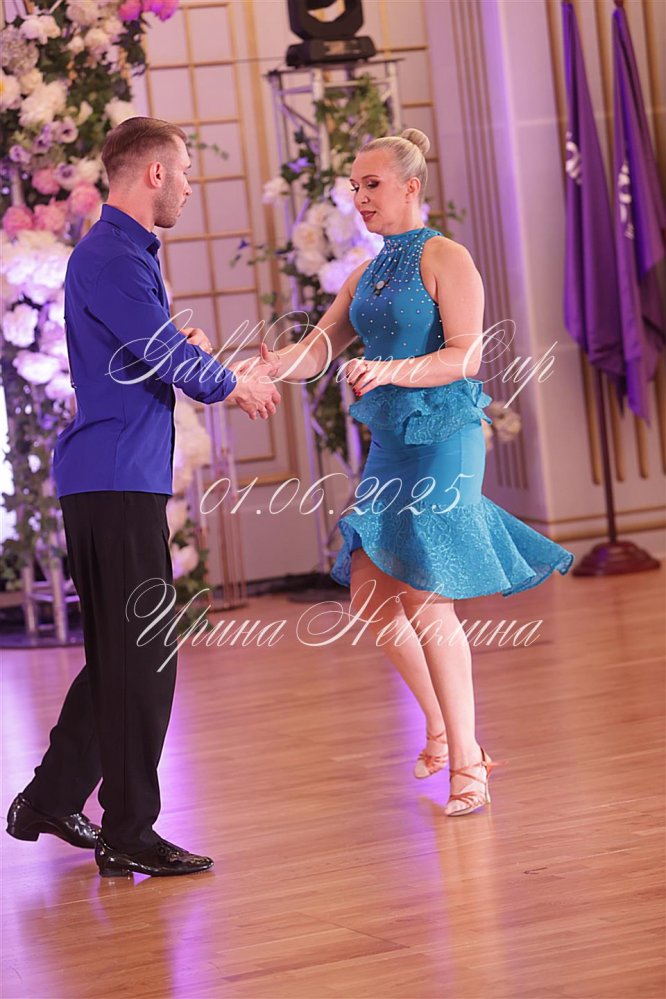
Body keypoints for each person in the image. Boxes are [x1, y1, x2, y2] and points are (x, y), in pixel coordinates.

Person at [250, 128, 575, 816]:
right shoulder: (365, 275)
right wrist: (273, 364)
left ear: (411, 187)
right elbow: (320, 348)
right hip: (393, 442)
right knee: (371, 593)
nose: (360, 198)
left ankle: (468, 764)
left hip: (446, 436)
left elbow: (466, 356)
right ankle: (439, 727)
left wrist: (390, 369)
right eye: (354, 187)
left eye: (372, 185)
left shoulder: (446, 256)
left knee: (427, 595)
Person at [6, 117, 281, 876]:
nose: (189, 185)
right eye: (184, 170)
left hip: (115, 478)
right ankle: (128, 830)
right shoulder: (113, 255)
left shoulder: (121, 254)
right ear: (154, 172)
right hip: (113, 480)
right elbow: (160, 351)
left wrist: (192, 356)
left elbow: (147, 349)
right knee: (145, 658)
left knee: (125, 655)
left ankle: (51, 798)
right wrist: (234, 384)